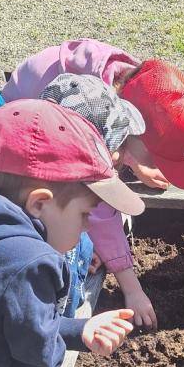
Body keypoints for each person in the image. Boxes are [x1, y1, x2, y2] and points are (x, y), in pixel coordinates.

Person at [1, 40, 184, 323]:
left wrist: (135, 163)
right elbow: (97, 203)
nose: (157, 166)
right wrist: (132, 287)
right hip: (19, 171)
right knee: (63, 250)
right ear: (129, 133)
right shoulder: (83, 115)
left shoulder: (134, 86)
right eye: (156, 158)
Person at [0, 100, 144, 367]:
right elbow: (35, 353)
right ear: (39, 204)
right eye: (85, 215)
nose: (88, 227)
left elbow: (11, 316)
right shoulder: (31, 263)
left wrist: (77, 329)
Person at [40, 72, 148, 319]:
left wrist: (85, 249)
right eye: (115, 146)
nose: (119, 155)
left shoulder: (63, 200)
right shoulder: (34, 250)